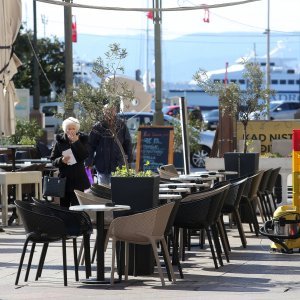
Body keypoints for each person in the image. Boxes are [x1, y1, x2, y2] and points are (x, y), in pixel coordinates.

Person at [51, 117, 90, 207]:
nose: (71, 131)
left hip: (78, 179)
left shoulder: (83, 139)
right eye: (69, 129)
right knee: (64, 207)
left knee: (77, 207)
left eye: (73, 128)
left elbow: (85, 155)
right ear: (65, 130)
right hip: (64, 180)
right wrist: (61, 160)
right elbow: (53, 160)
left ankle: (76, 221)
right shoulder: (59, 141)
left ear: (76, 129)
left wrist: (76, 142)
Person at [86, 112, 132, 185]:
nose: (109, 113)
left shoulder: (121, 125)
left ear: (115, 111)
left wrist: (129, 159)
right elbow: (91, 145)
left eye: (111, 110)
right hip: (102, 166)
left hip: (118, 165)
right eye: (107, 111)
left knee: (117, 191)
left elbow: (127, 142)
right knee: (103, 191)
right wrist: (89, 161)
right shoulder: (98, 127)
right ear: (103, 112)